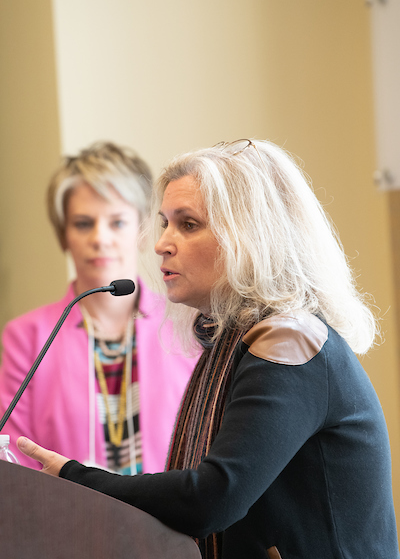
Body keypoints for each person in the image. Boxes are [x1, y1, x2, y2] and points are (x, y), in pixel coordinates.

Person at [16, 139, 399, 559]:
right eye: (164, 223)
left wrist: (74, 477)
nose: (162, 243)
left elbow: (211, 498)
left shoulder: (290, 340)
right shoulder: (229, 339)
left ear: (250, 236)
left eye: (188, 224)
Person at [0, 141, 198, 475]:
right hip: (63, 508)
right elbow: (13, 462)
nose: (99, 239)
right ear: (63, 235)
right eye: (82, 223)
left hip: (173, 508)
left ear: (142, 230)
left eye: (117, 222)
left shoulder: (190, 322)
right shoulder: (26, 337)